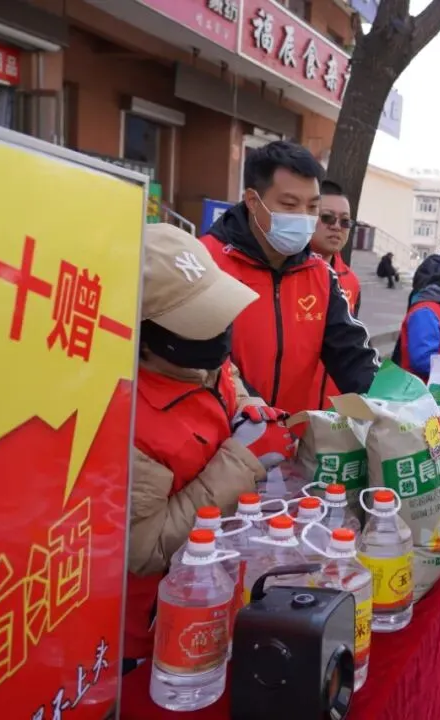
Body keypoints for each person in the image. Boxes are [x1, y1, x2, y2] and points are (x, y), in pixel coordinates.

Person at [125, 224, 298, 669]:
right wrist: (244, 458)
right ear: (144, 337)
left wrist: (250, 411)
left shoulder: (197, 361)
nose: (219, 333)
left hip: (220, 583)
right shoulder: (127, 419)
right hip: (157, 631)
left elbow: (228, 380)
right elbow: (144, 550)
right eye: (200, 323)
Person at [200, 140, 379, 416]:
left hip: (291, 440)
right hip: (221, 438)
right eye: (289, 204)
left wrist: (392, 403)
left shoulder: (320, 275)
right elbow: (201, 361)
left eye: (312, 208)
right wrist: (254, 414)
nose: (303, 218)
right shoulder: (207, 262)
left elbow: (352, 354)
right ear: (252, 201)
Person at [310, 180, 361, 315]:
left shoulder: (352, 281)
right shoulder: (284, 273)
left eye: (345, 221)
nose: (337, 227)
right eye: (327, 217)